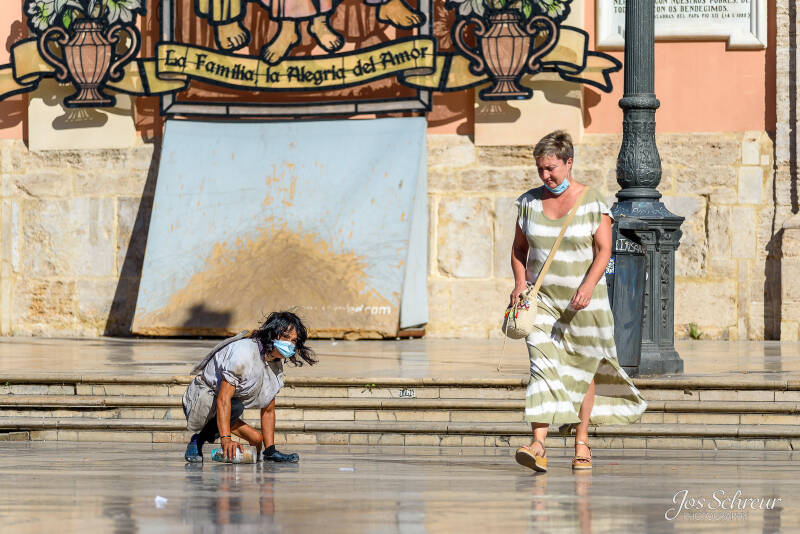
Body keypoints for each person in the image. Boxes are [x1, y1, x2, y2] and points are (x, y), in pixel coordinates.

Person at [510, 130, 647, 472]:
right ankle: (538, 445)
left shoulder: (592, 201)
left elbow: (604, 250)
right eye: (540, 168)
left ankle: (581, 442)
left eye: (552, 168)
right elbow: (518, 250)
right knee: (540, 368)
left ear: (569, 163)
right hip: (541, 304)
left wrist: (587, 285)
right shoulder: (527, 203)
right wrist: (517, 284)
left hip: (585, 306)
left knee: (582, 372)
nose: (545, 175)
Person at [182, 311, 316, 463]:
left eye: (294, 341)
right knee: (236, 407)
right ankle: (197, 440)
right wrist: (226, 439)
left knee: (257, 438)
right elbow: (223, 399)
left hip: (229, 406)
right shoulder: (244, 353)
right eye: (286, 337)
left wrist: (270, 450)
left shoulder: (275, 362)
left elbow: (268, 409)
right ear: (272, 334)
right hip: (203, 400)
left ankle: (269, 452)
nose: (289, 344)